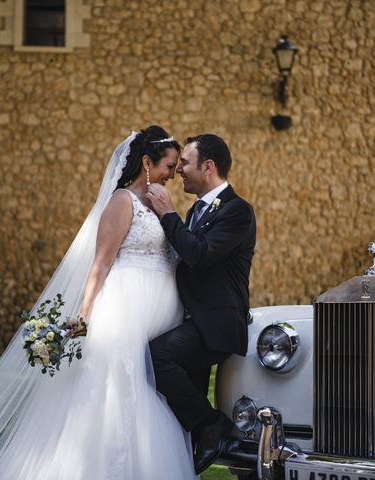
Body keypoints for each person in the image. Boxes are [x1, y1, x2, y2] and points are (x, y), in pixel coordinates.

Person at [0, 126, 196, 480]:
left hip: (159, 317)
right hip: (124, 311)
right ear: (147, 162)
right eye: (168, 166)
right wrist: (83, 315)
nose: (172, 174)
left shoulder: (162, 203)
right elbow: (100, 263)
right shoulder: (122, 202)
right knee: (120, 392)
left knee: (154, 386)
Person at [146, 133, 256, 473]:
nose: (179, 169)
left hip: (217, 326)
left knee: (157, 357)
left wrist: (166, 213)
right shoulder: (197, 210)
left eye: (185, 163)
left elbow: (199, 254)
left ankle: (214, 425)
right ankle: (192, 452)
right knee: (182, 426)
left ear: (208, 167)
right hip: (193, 322)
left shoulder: (237, 211)